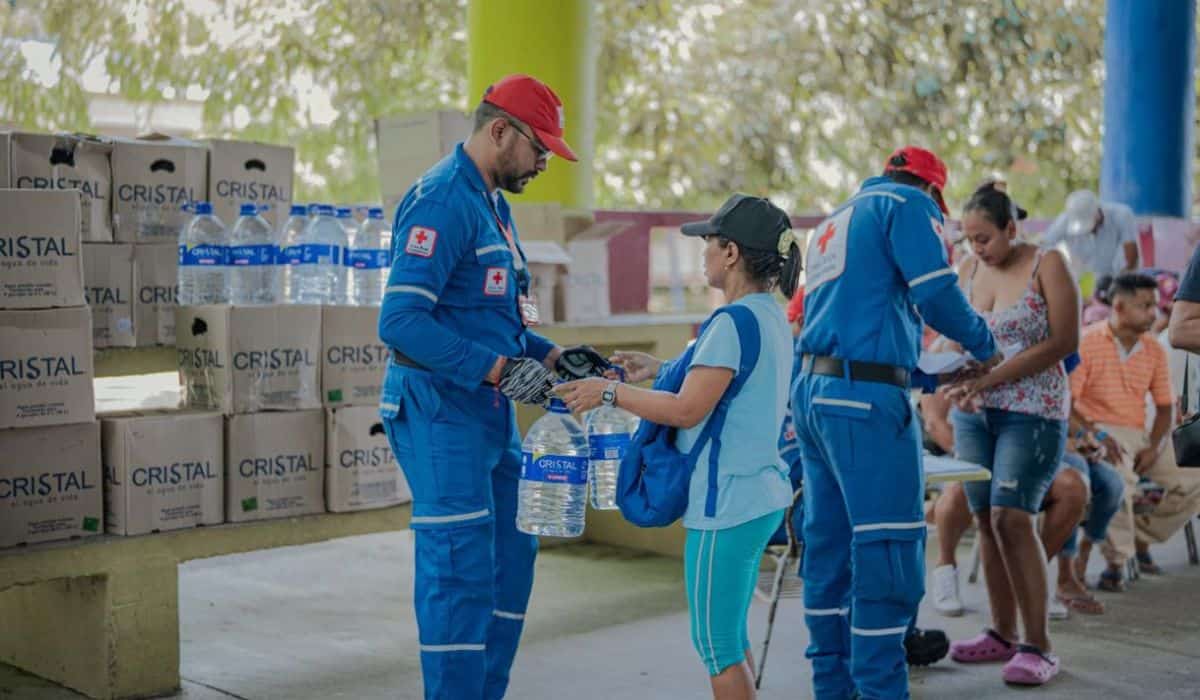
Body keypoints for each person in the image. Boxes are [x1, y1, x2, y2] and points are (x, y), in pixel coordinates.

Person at [377, 74, 612, 700]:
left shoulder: (495, 208)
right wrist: (502, 371)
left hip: (489, 410)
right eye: (539, 150)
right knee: (460, 570)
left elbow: (507, 322)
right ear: (499, 130)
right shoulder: (440, 201)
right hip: (438, 410)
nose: (542, 163)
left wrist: (554, 355)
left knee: (514, 557)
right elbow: (399, 324)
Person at [556, 194, 798, 700]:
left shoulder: (731, 323)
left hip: (725, 504)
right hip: (759, 496)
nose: (702, 253)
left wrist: (611, 392)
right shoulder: (766, 315)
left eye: (709, 242)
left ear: (731, 252)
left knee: (716, 648)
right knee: (729, 637)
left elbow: (688, 410)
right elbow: (723, 382)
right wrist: (655, 370)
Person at [791, 146, 999, 700]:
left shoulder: (836, 220)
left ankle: (832, 689)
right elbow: (936, 293)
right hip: (864, 403)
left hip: (816, 393)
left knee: (829, 549)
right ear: (933, 191)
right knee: (889, 551)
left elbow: (861, 317)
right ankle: (883, 690)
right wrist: (985, 346)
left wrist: (926, 376)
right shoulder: (909, 206)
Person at [945, 182, 1078, 685]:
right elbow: (961, 338)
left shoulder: (1049, 265)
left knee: (1012, 518)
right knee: (985, 521)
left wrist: (991, 377)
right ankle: (1000, 634)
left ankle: (1038, 645)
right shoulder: (967, 271)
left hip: (1033, 411)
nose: (977, 248)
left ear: (1011, 229)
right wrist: (951, 373)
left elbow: (1064, 341)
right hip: (974, 412)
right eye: (969, 239)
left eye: (985, 238)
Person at [921, 389, 1118, 619]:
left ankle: (1029, 578)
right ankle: (945, 566)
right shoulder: (952, 357)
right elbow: (935, 422)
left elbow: (1057, 404)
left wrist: (1081, 438)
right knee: (963, 487)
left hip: (1029, 445)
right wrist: (968, 455)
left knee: (1074, 488)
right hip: (968, 445)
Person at [1070, 273, 1200, 590]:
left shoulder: (1153, 349)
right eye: (1145, 306)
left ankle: (1137, 538)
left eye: (1155, 305)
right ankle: (1116, 563)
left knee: (1195, 478)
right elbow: (1068, 405)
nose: (1154, 313)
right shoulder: (1086, 342)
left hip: (1139, 434)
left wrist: (1155, 447)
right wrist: (1098, 437)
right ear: (1119, 306)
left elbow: (1166, 406)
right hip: (1096, 431)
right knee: (1122, 482)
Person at [1041, 189, 1138, 280]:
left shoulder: (1122, 215)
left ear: (1097, 212)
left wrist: (1123, 281)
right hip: (1083, 279)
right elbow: (1043, 246)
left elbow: (1131, 252)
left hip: (1119, 276)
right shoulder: (1065, 220)